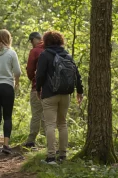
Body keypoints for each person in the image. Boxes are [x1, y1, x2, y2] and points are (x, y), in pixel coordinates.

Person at [36, 30, 83, 164]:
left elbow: (40, 75)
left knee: (50, 124)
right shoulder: (67, 55)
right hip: (65, 94)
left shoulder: (45, 55)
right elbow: (76, 74)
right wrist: (80, 91)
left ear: (46, 41)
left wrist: (38, 89)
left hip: (50, 94)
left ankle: (51, 157)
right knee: (62, 124)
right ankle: (63, 154)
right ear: (60, 41)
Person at [24, 32, 45, 149]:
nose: (31, 44)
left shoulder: (35, 51)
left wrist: (33, 79)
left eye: (31, 41)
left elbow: (30, 70)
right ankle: (50, 142)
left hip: (37, 88)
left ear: (34, 39)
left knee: (36, 114)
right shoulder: (52, 49)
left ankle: (31, 141)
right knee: (48, 116)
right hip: (52, 90)